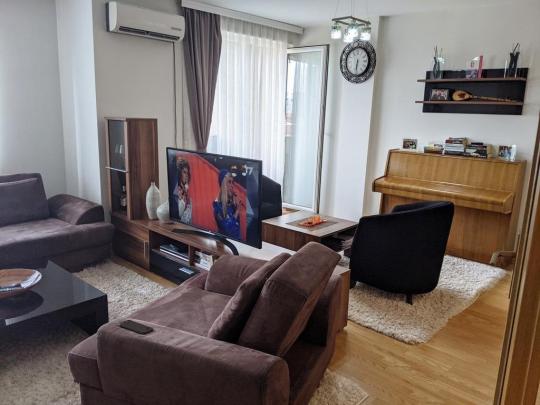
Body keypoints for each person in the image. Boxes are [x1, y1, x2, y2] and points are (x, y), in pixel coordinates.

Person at [213, 169, 240, 239]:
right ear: (223, 184)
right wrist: (237, 211)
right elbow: (228, 230)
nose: (232, 185)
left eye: (232, 182)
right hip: (223, 243)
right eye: (229, 182)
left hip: (237, 242)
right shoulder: (217, 206)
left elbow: (237, 226)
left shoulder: (231, 202)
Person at [173, 158, 192, 224]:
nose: (187, 175)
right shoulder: (176, 191)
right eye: (184, 172)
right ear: (179, 173)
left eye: (187, 173)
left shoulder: (185, 191)